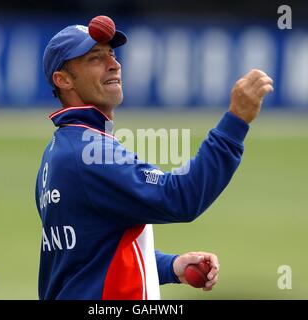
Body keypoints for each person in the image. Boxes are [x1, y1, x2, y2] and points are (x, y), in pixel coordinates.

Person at [35, 19, 273, 300]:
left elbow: (87, 256)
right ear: (63, 80)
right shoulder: (88, 152)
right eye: (94, 58)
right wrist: (236, 121)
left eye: (111, 54)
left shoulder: (58, 152)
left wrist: (169, 267)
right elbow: (181, 197)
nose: (113, 64)